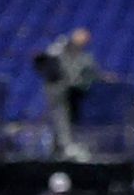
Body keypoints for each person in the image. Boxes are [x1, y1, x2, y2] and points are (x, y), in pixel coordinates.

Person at [38, 27, 102, 160]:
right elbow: (45, 64)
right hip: (58, 91)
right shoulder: (59, 49)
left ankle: (66, 146)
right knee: (60, 118)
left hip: (74, 95)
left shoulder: (84, 57)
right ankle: (62, 147)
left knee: (70, 119)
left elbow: (93, 72)